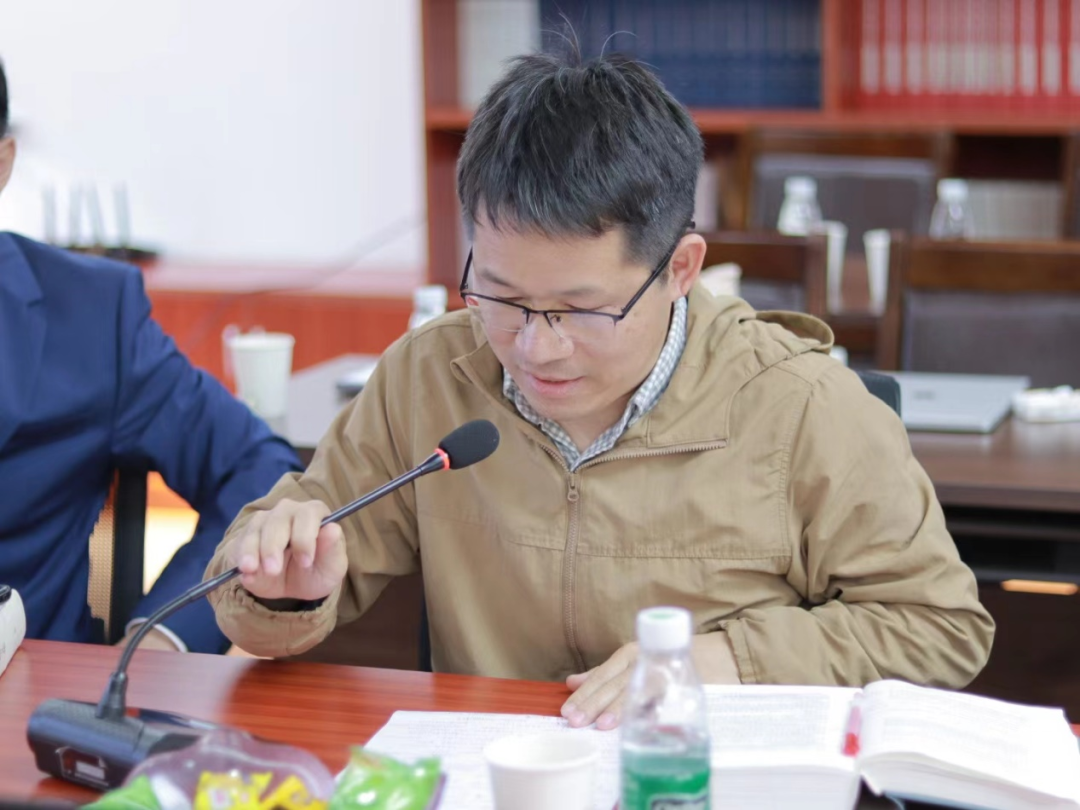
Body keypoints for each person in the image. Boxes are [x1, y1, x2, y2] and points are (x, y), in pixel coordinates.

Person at [206, 49, 994, 725]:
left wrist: (728, 661)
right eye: (503, 297)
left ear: (679, 268)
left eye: (582, 310)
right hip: (501, 775)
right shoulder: (428, 376)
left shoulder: (802, 404)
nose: (537, 347)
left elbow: (941, 627)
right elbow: (263, 588)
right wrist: (282, 592)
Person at [0, 58, 302, 654]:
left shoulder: (89, 316)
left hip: (30, 690)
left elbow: (256, 469)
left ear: (2, 163)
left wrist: (159, 638)